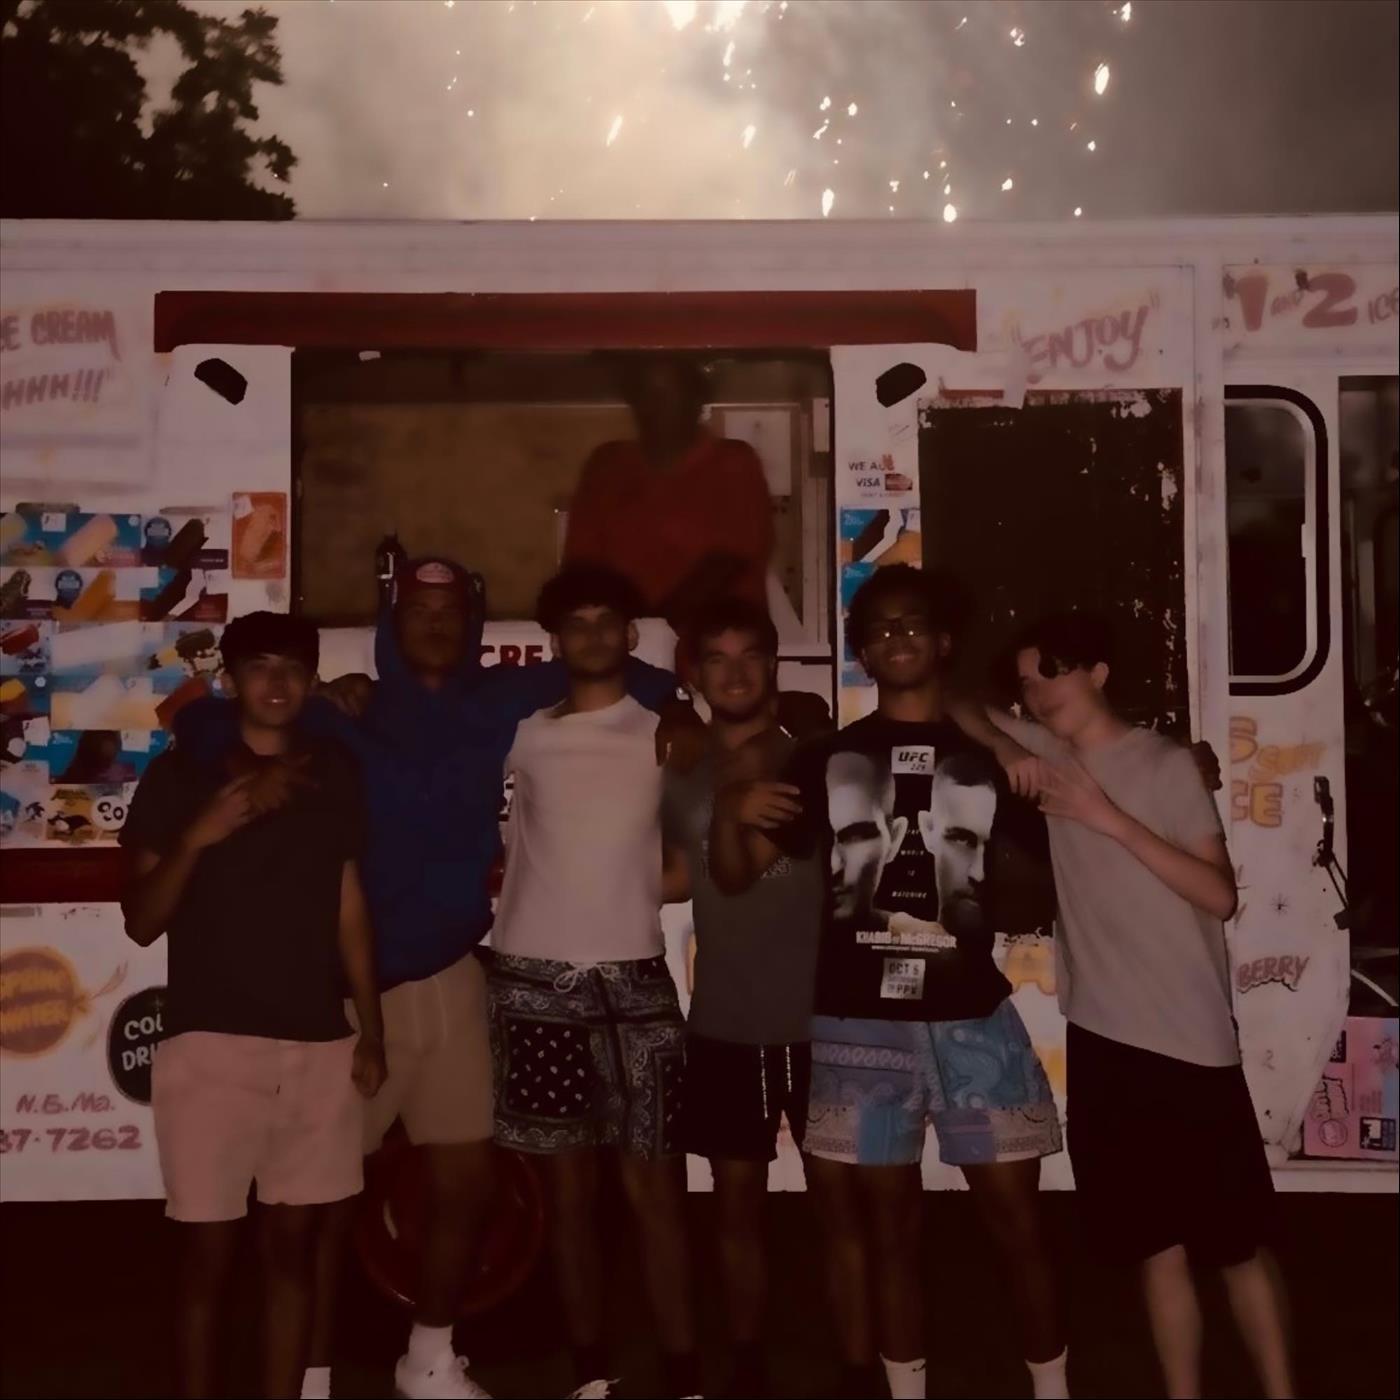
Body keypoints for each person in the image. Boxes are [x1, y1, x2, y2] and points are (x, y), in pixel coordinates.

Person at [175, 558, 682, 1400]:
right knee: (320, 1200)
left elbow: (634, 672)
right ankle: (311, 1374)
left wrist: (689, 712)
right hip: (352, 990)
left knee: (467, 1181)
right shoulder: (343, 711)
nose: (436, 624)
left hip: (451, 977)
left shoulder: (501, 700)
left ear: (473, 623)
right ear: (391, 622)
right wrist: (243, 765)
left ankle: (430, 1358)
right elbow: (199, 722)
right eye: (418, 611)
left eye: (451, 611)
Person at [710, 564, 1069, 1400]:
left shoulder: (995, 757)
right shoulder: (823, 760)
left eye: (912, 623)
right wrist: (728, 813)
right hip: (855, 1029)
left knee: (1020, 1229)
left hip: (974, 1022)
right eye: (878, 628)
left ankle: (1054, 1390)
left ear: (943, 642)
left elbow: (1044, 885)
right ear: (862, 654)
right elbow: (735, 874)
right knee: (888, 1234)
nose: (895, 637)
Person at [954, 611, 1293, 1400]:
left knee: (1237, 1246)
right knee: (1154, 1247)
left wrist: (1107, 818)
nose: (1039, 691)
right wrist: (1006, 745)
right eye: (1029, 680)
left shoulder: (1166, 765)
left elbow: (1219, 895)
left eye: (1055, 671)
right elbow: (960, 701)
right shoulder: (1046, 754)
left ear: (1100, 673)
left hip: (1191, 1043)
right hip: (1104, 1040)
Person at [120, 612, 385, 1400]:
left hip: (317, 1044)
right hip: (211, 1048)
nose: (277, 682)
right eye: (260, 666)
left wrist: (370, 1030)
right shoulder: (177, 778)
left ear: (311, 681)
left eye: (293, 667)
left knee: (291, 1255)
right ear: (230, 680)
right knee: (206, 1260)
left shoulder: (334, 772)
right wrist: (199, 836)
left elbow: (349, 905)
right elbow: (141, 921)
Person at [487, 564, 699, 1400]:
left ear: (631, 635)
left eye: (607, 620)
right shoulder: (522, 734)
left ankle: (684, 1375)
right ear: (554, 640)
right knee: (565, 1200)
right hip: (532, 980)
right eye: (575, 623)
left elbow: (693, 852)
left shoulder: (667, 733)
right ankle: (589, 1376)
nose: (593, 635)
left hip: (636, 981)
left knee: (658, 1194)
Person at [663, 597, 826, 1397]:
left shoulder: (812, 758)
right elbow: (671, 876)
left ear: (773, 665)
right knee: (734, 1209)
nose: (734, 673)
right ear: (695, 673)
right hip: (725, 1017)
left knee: (847, 1209)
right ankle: (749, 1364)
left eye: (750, 655)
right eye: (716, 658)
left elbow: (734, 869)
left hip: (826, 1018)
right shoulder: (680, 770)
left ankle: (862, 1363)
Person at [563, 354, 774, 631]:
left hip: (717, 645)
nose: (654, 406)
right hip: (628, 642)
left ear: (696, 400)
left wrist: (650, 629)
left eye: (668, 394)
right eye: (644, 393)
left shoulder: (734, 463)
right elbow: (582, 566)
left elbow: (727, 562)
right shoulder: (606, 465)